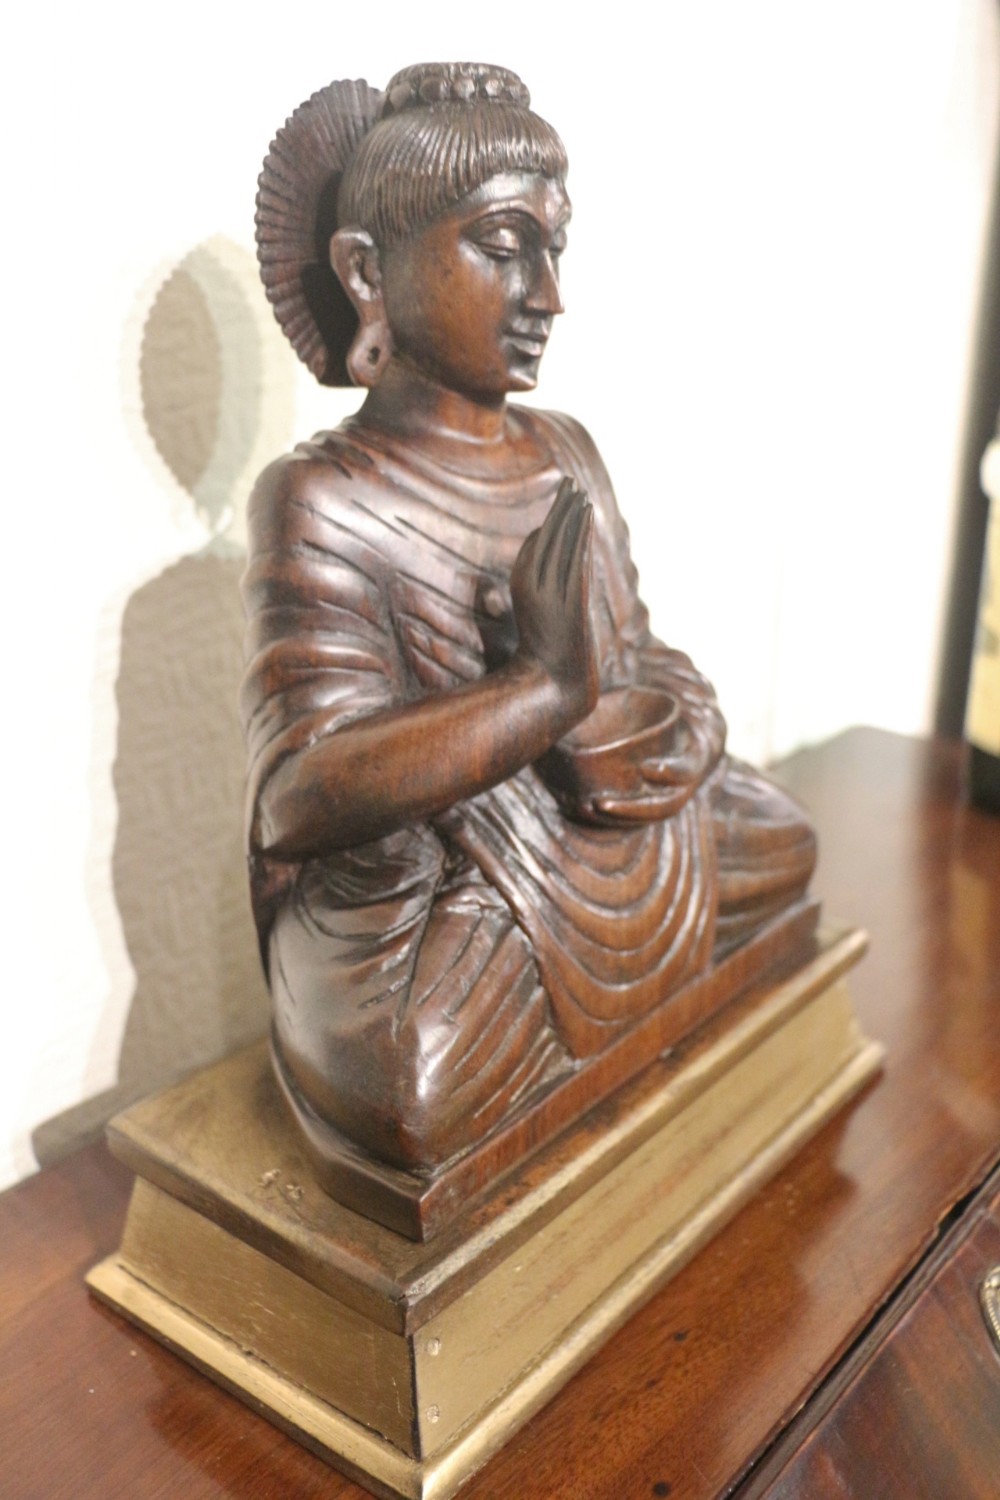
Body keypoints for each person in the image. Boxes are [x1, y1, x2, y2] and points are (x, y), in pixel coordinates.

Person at [244, 63, 816, 1176]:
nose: (547, 295)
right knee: (415, 1084)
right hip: (450, 876)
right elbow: (299, 795)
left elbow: (635, 654)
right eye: (504, 249)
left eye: (555, 250)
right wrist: (540, 692)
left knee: (787, 844)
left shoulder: (565, 453)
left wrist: (664, 724)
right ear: (366, 270)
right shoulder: (323, 498)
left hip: (593, 823)